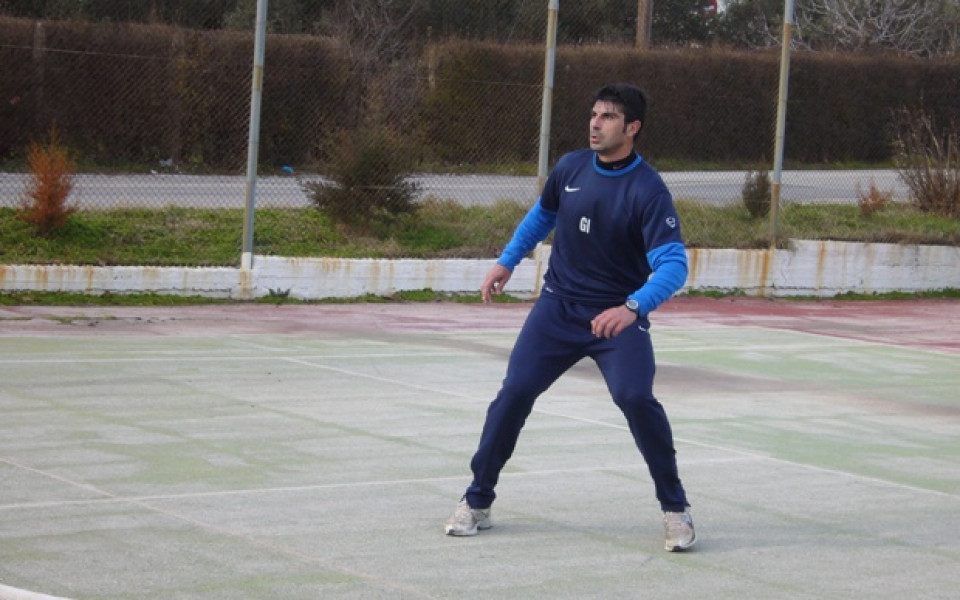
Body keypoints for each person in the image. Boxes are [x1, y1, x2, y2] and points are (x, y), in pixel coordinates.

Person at [444, 82, 696, 552]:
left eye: (608, 117)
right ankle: (477, 500)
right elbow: (541, 218)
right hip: (557, 309)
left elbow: (674, 265)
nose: (595, 124)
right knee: (514, 393)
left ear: (633, 128)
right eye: (593, 114)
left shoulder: (648, 190)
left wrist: (632, 307)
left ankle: (675, 509)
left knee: (636, 397)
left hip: (614, 318)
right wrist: (507, 260)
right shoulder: (571, 167)